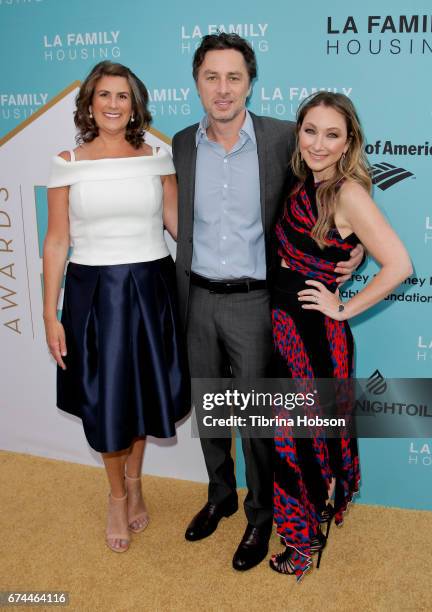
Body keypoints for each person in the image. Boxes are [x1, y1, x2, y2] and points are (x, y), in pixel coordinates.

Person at [172, 33, 364, 571]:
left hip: (259, 304)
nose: (223, 88)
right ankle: (220, 495)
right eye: (212, 76)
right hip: (199, 297)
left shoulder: (286, 137)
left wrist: (353, 254)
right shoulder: (183, 143)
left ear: (251, 82)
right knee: (211, 412)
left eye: (234, 76)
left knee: (257, 420)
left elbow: (337, 193)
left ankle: (261, 516)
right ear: (197, 83)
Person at [43, 61, 189, 553]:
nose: (111, 104)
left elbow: (178, 228)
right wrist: (49, 312)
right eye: (103, 95)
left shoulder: (158, 158)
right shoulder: (67, 162)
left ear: (135, 105)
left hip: (151, 286)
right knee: (108, 399)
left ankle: (137, 482)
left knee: (143, 392)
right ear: (88, 103)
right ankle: (115, 495)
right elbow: (57, 241)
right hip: (93, 293)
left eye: (121, 96)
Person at [269, 91, 412, 579]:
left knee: (300, 438)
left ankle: (303, 543)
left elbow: (399, 265)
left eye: (332, 134)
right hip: (285, 329)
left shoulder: (348, 193)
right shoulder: (301, 181)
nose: (319, 144)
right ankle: (315, 514)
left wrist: (343, 305)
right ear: (299, 133)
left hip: (315, 336)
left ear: (349, 140)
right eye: (311, 131)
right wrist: (341, 264)